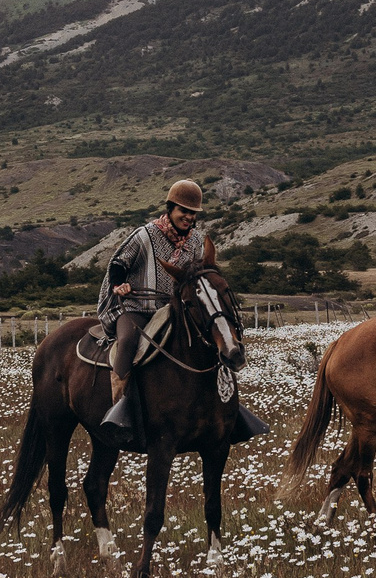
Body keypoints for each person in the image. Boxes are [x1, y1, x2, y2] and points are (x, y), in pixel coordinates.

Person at [97, 180, 264, 440]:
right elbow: (119, 262)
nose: (188, 217)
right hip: (138, 307)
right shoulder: (145, 235)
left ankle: (230, 410)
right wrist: (119, 284)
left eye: (193, 213)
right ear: (171, 208)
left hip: (174, 309)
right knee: (128, 341)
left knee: (212, 340)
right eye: (183, 211)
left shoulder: (196, 241)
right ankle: (120, 409)